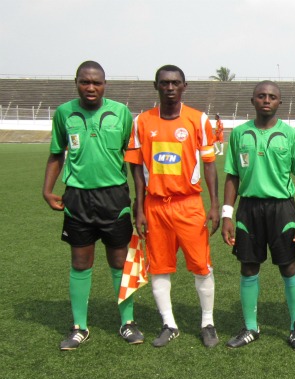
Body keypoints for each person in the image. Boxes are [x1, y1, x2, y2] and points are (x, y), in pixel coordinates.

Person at [43, 60, 143, 350]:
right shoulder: (64, 113)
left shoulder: (121, 113)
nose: (90, 87)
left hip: (114, 198)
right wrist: (47, 190)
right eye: (85, 82)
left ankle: (127, 322)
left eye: (96, 82)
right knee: (80, 262)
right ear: (76, 83)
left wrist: (140, 199)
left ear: (105, 85)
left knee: (120, 262)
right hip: (78, 198)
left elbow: (134, 161)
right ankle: (79, 327)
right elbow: (56, 154)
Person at [125, 64, 220, 348]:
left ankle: (207, 323)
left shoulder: (198, 119)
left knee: (202, 266)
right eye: (164, 83)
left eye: (175, 83)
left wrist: (214, 204)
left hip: (189, 205)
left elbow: (209, 164)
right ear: (156, 86)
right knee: (159, 268)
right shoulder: (142, 121)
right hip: (155, 206)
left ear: (184, 86)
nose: (170, 87)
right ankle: (169, 324)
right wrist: (139, 208)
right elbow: (136, 168)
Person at [221, 81, 295, 352]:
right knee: (248, 266)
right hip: (248, 209)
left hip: (281, 209)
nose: (266, 100)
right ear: (252, 100)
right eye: (261, 96)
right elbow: (232, 176)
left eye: (272, 97)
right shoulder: (239, 134)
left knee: (288, 266)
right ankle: (251, 327)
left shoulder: (291, 135)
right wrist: (227, 216)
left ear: (279, 103)